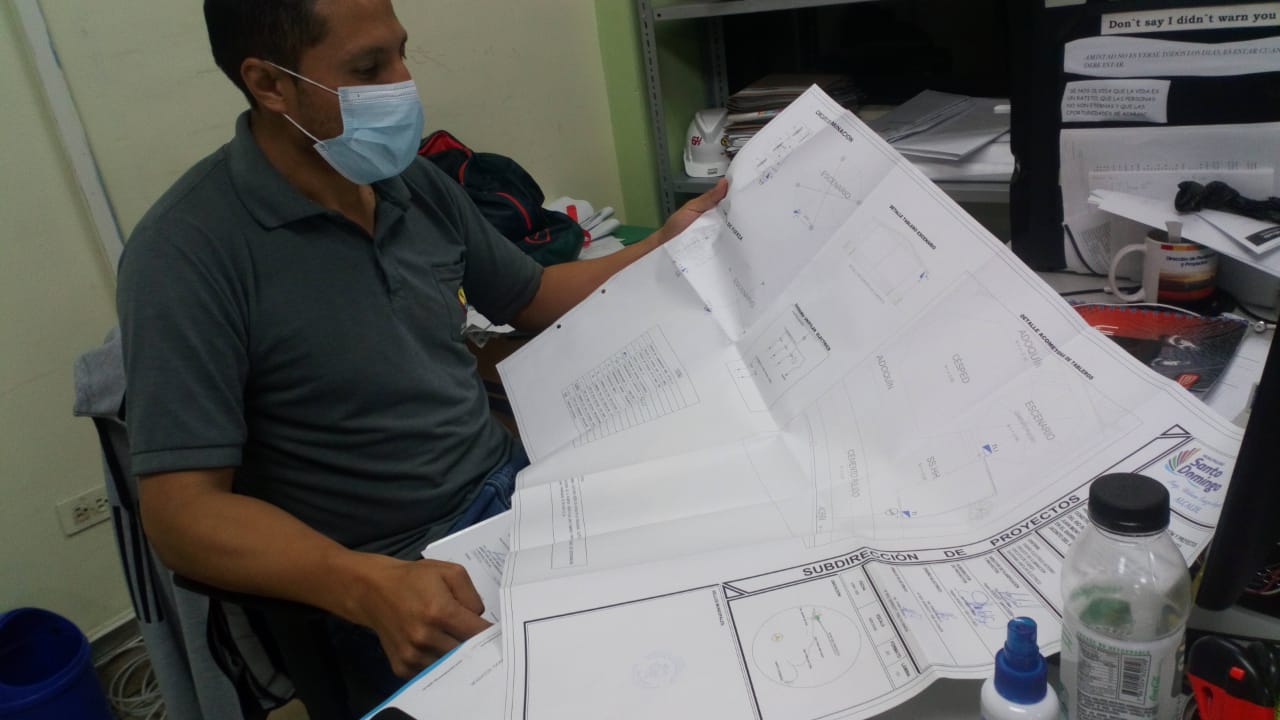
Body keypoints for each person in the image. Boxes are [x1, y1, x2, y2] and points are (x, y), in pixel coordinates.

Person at [116, 0, 726, 709]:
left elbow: (531, 295)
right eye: (369, 68)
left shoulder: (409, 182)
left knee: (693, 624)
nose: (403, 84)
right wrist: (364, 585)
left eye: (401, 54)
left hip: (513, 498)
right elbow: (181, 515)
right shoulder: (186, 253)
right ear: (270, 84)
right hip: (392, 572)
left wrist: (664, 245)